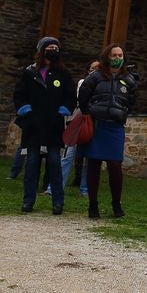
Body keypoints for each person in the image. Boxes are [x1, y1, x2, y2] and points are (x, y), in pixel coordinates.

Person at [13, 37, 74, 214]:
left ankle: (57, 202)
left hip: (53, 127)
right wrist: (26, 111)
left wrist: (63, 110)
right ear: (42, 50)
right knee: (32, 164)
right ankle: (28, 200)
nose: (53, 50)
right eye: (50, 47)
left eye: (56, 47)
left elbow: (70, 96)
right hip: (33, 126)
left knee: (54, 164)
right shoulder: (30, 72)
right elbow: (19, 95)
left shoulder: (63, 73)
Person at [75, 44, 137, 219]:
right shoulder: (95, 77)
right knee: (93, 164)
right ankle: (92, 205)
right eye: (114, 54)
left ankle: (116, 204)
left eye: (120, 54)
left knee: (115, 165)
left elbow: (131, 100)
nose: (117, 57)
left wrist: (121, 113)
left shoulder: (129, 79)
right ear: (107, 57)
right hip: (97, 124)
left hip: (115, 126)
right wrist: (91, 112)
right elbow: (83, 97)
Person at [61, 59, 101, 194]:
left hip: (95, 120)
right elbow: (84, 98)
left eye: (98, 68)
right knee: (69, 153)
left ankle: (85, 189)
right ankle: (55, 187)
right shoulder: (82, 83)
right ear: (88, 70)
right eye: (92, 68)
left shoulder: (105, 84)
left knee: (89, 157)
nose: (95, 70)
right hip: (80, 118)